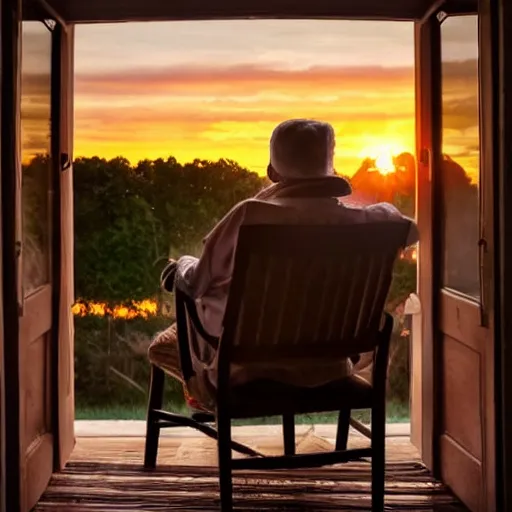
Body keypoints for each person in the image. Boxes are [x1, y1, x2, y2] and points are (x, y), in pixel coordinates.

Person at [148, 119, 419, 412]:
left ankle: (203, 392)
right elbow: (412, 231)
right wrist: (379, 210)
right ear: (331, 168)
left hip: (247, 369)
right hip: (328, 368)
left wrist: (182, 267)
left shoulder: (250, 215)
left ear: (272, 171)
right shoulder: (368, 224)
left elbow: (198, 283)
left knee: (194, 305)